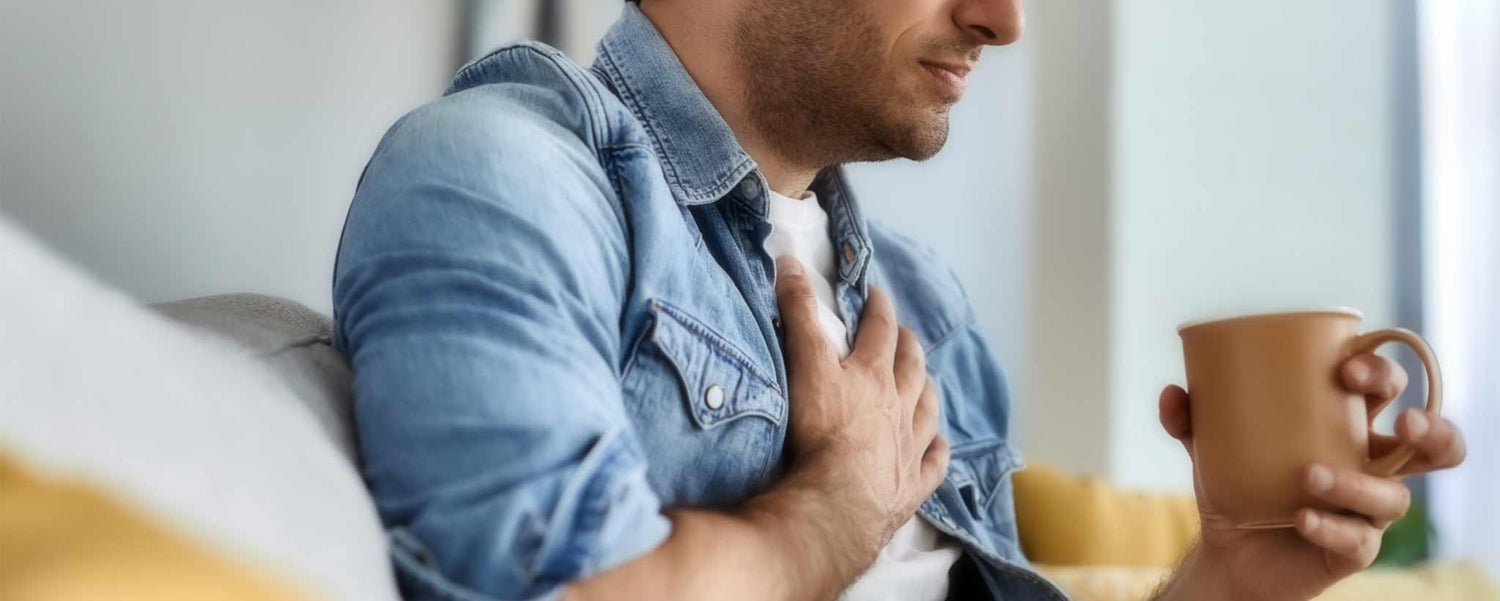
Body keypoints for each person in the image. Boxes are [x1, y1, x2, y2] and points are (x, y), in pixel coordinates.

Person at [331, 0, 1469, 599]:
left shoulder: (927, 308)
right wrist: (831, 515)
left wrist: (1231, 577)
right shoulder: (507, 176)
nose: (1004, 17)